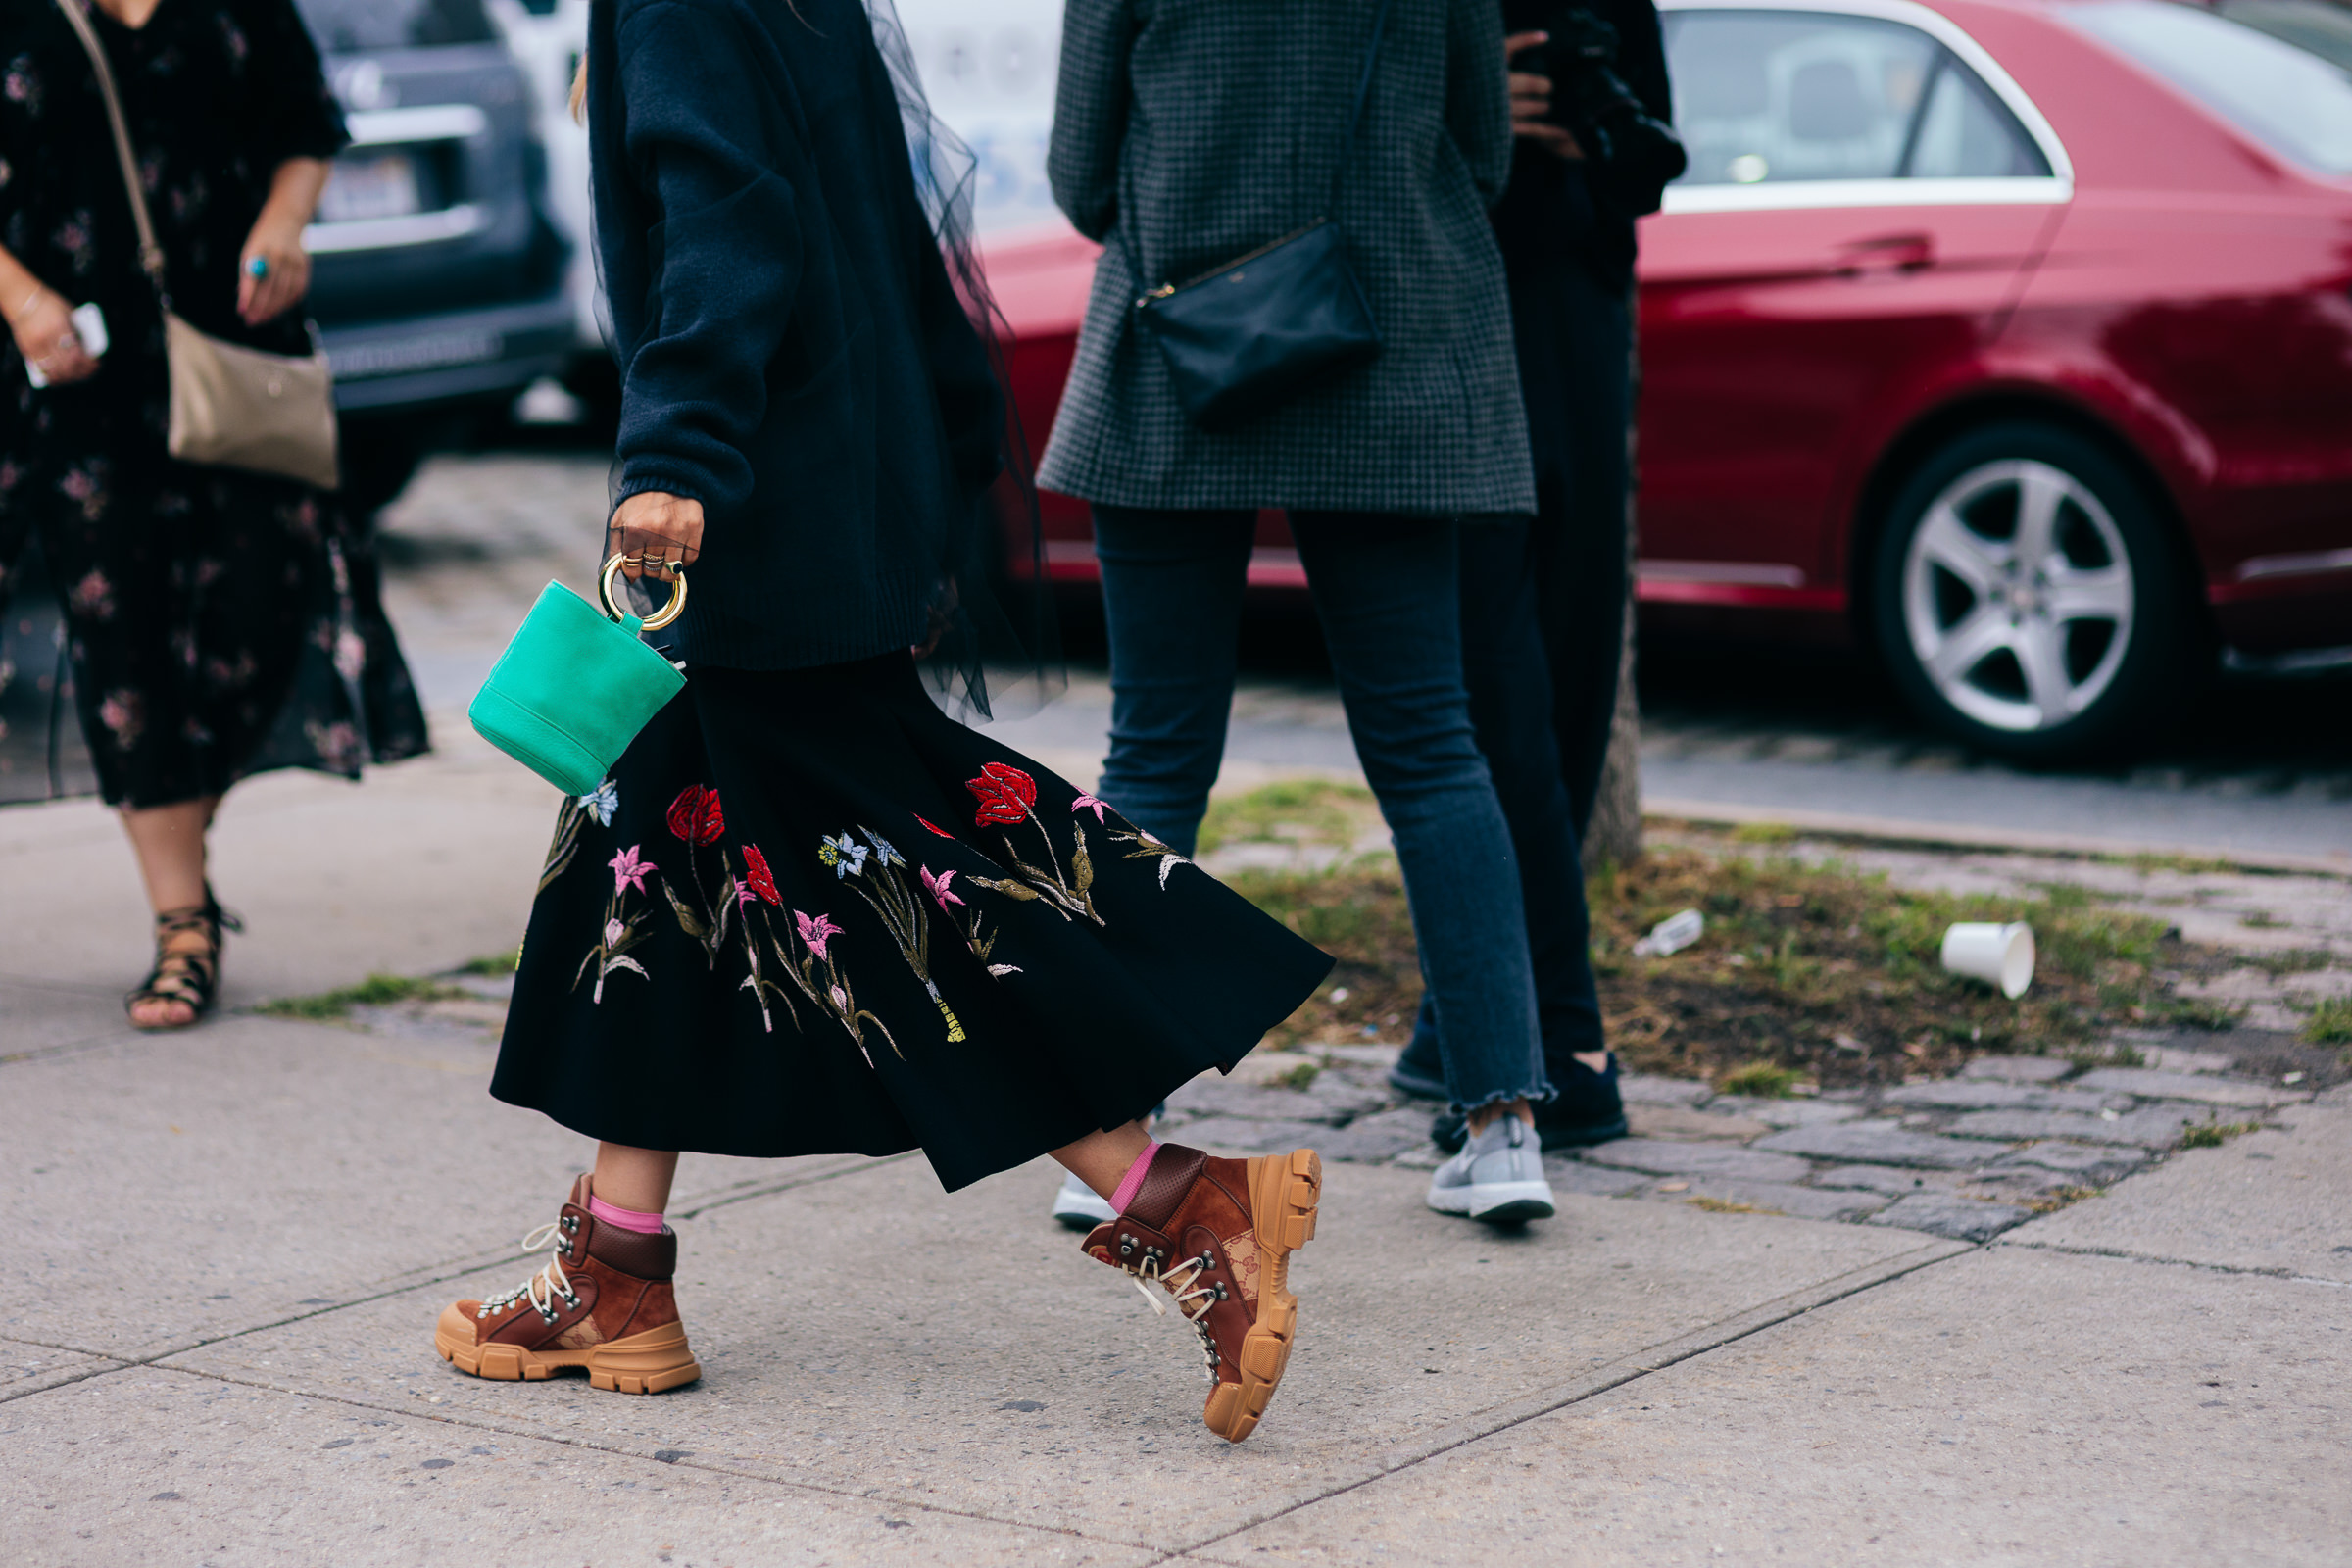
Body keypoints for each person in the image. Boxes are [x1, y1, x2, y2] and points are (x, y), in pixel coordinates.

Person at [428, 0, 1337, 1447]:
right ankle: (617, 1272)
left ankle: (1183, 1205)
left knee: (891, 898)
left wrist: (676, 452)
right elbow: (885, 227)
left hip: (757, 520)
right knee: (650, 863)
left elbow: (724, 214)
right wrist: (942, 476)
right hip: (834, 497)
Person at [1041, 0, 1561, 1227]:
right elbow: (1481, 156)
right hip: (1385, 346)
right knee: (1433, 745)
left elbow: (1078, 177)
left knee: (1155, 748)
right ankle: (1502, 1128)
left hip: (1183, 343)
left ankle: (1120, 1122)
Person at [0, 0, 427, 1029]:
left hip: (237, 355)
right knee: (126, 643)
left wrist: (284, 226)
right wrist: (18, 300)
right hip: (75, 376)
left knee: (261, 618)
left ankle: (185, 831)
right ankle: (182, 922)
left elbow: (306, 128)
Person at [1386, 1, 1680, 1153]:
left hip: (1578, 320)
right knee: (1491, 699)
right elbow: (1369, 149)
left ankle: (1456, 1018)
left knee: (1561, 680)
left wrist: (1598, 133)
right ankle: (1561, 1040)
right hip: (1457, 320)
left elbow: (1650, 157)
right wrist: (1474, 124)